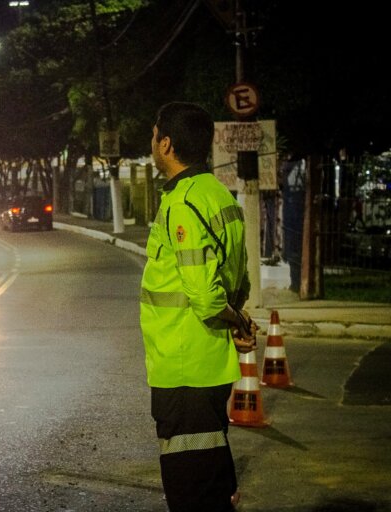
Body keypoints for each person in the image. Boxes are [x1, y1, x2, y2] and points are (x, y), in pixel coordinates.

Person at [139, 102, 258, 512]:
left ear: (167, 144)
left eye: (155, 136)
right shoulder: (218, 194)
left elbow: (207, 297)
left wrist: (235, 319)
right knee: (210, 476)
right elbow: (238, 279)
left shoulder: (182, 203)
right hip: (205, 365)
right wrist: (238, 320)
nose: (152, 142)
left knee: (191, 491)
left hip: (184, 365)